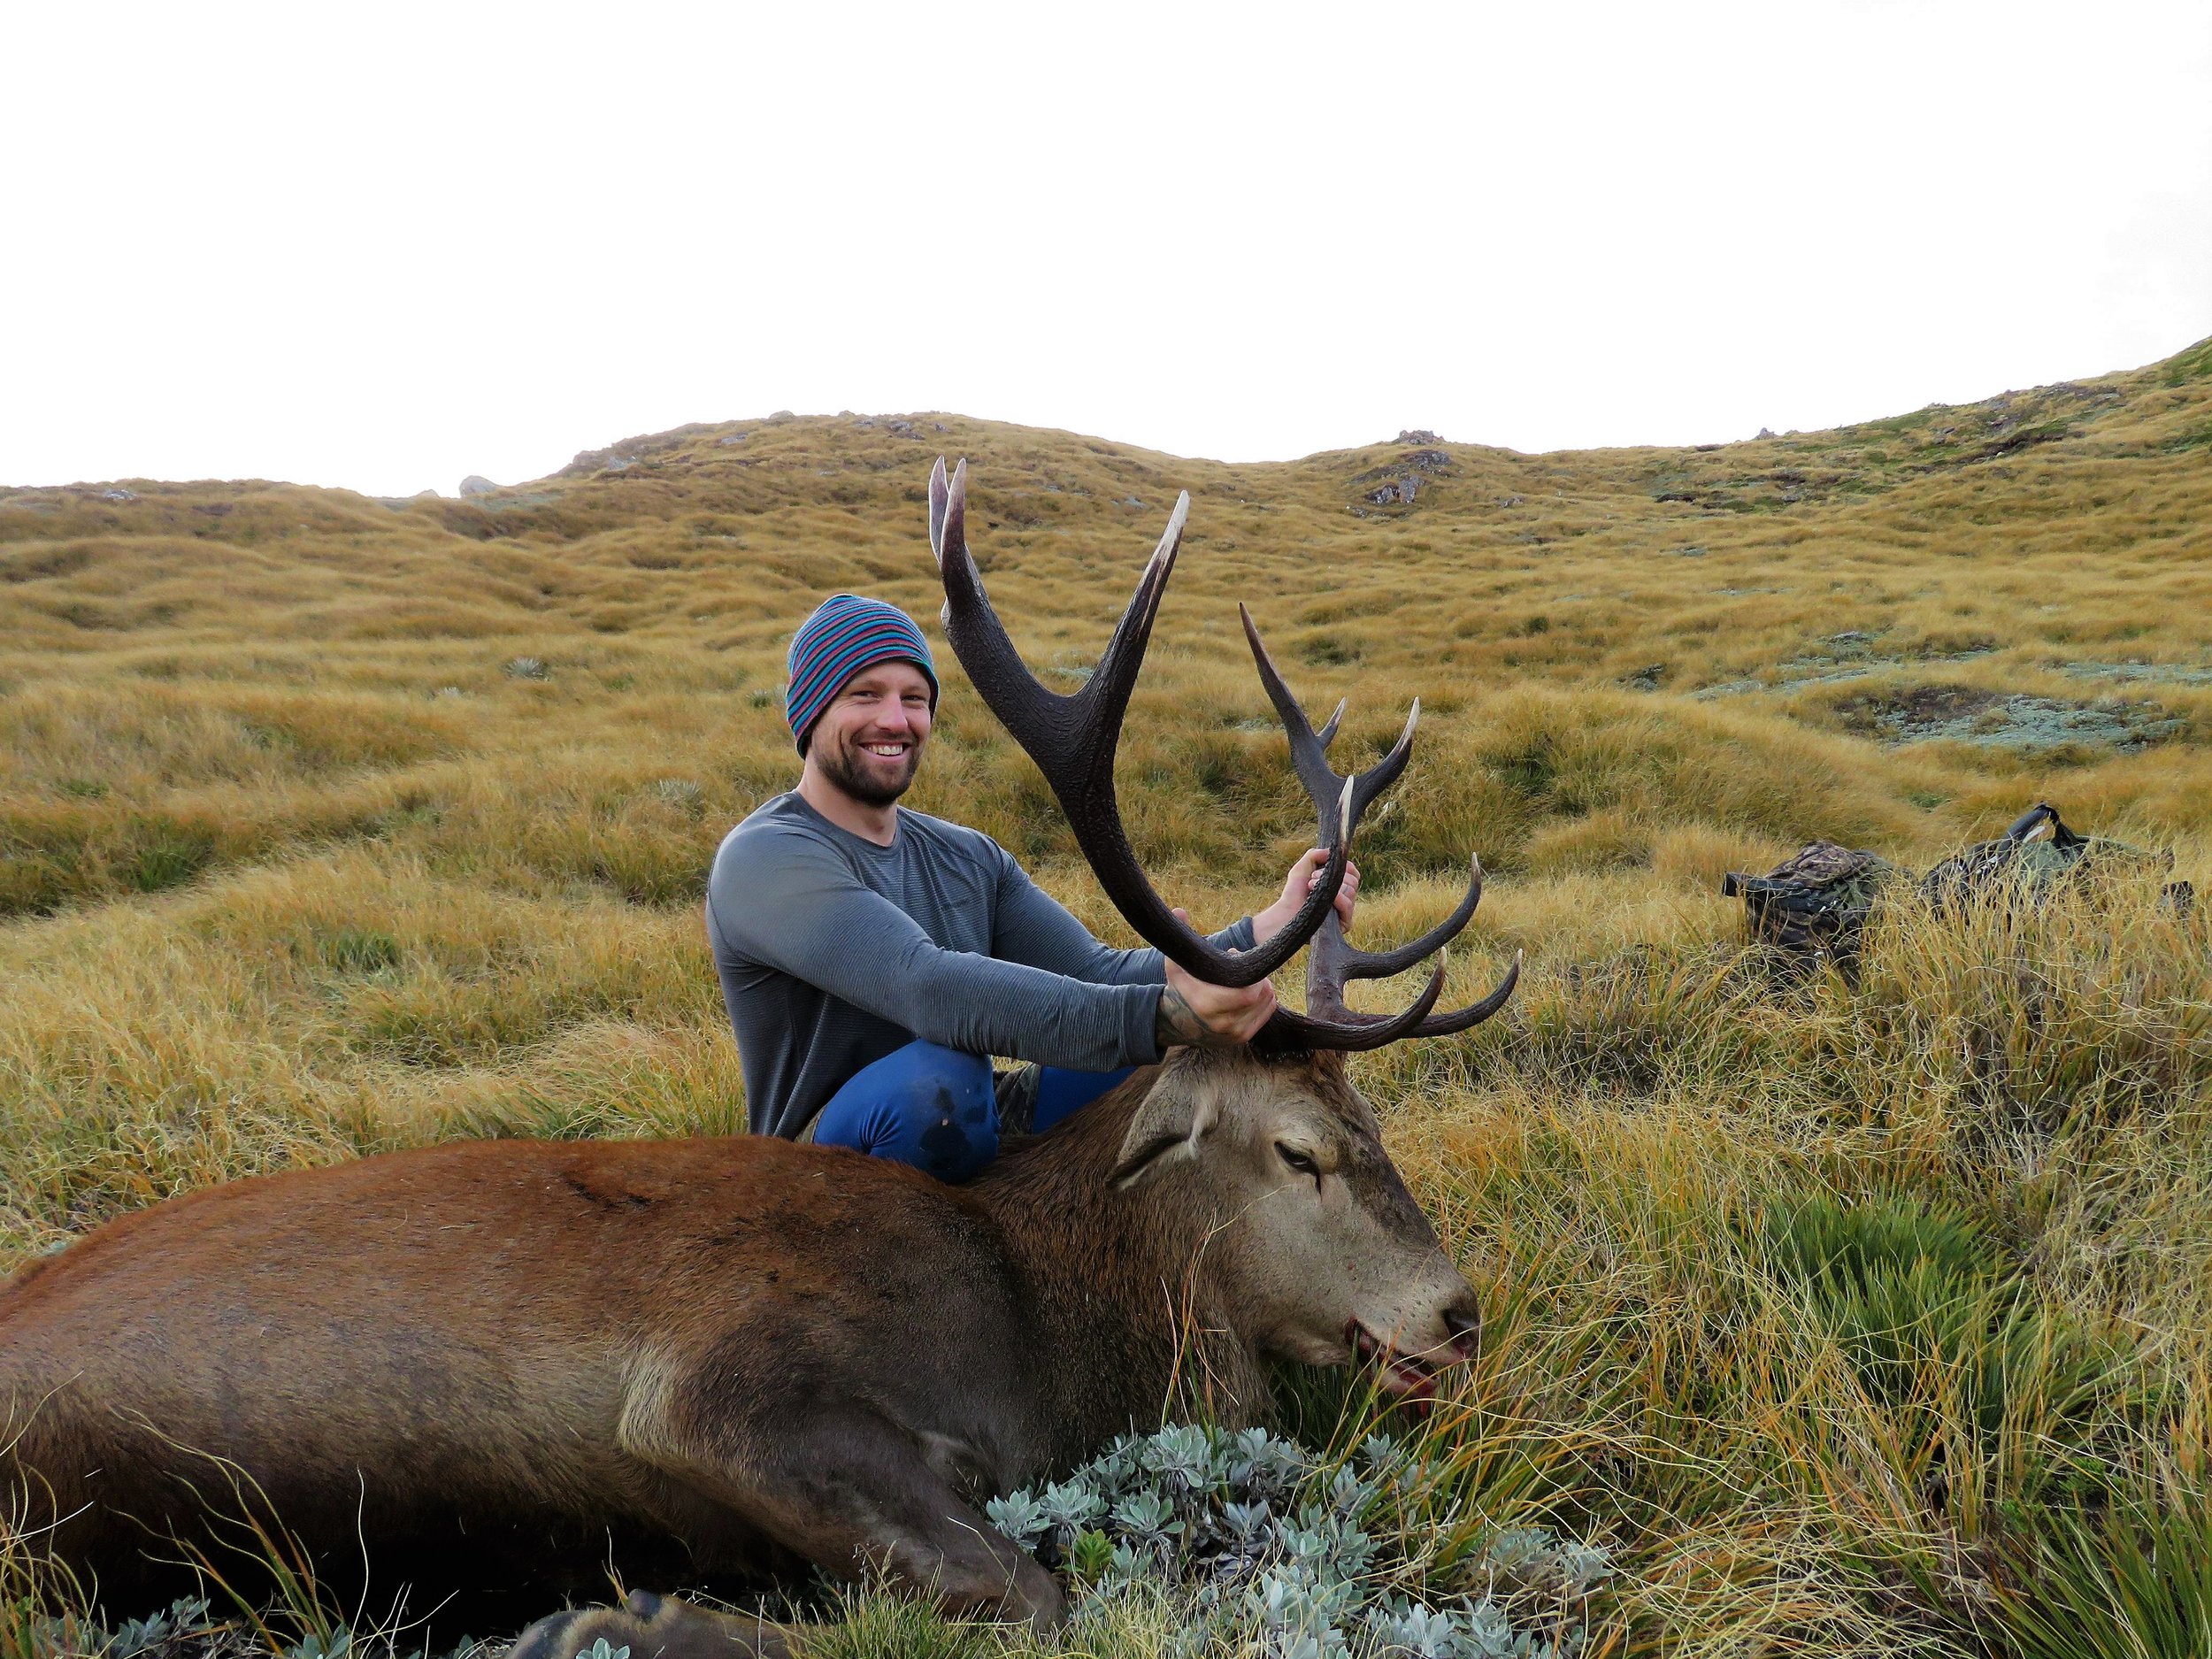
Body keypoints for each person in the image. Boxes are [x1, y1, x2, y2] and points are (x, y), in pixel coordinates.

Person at [706, 593, 1358, 1182]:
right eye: (864, 694)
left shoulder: (968, 857)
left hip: (970, 1114)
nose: (895, 719)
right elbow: (923, 983)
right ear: (811, 708)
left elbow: (1096, 971)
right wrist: (1157, 1016)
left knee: (1147, 1052)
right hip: (816, 1168)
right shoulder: (764, 859)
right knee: (940, 1085)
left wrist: (1262, 930)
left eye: (914, 698)